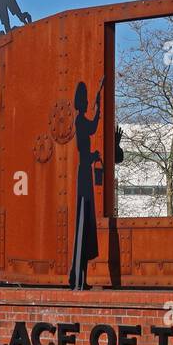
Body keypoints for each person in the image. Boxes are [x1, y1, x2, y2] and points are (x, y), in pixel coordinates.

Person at [69, 79, 104, 290]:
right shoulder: (80, 122)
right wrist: (98, 107)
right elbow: (92, 129)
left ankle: (80, 277)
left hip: (85, 174)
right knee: (83, 222)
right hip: (84, 175)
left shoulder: (80, 121)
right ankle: (78, 278)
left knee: (84, 223)